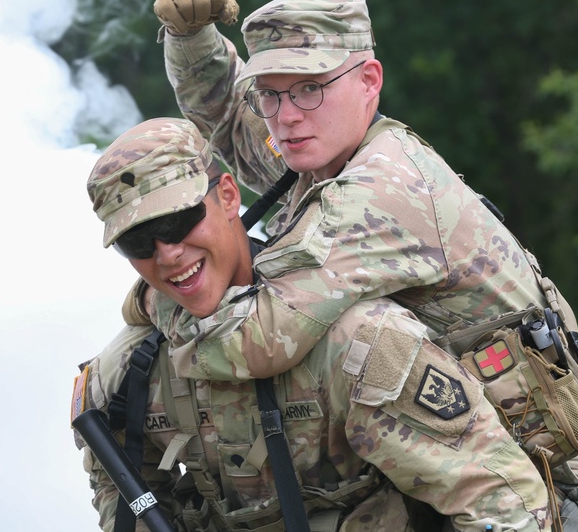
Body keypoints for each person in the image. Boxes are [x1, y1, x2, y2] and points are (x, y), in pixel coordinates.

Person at [142, 0, 578, 530]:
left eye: (309, 87)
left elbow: (255, 338)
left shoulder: (381, 189)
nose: (287, 114)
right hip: (465, 457)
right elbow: (231, 119)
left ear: (369, 80)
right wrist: (191, 38)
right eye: (271, 93)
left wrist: (156, 287)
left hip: (551, 487)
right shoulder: (316, 149)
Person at [74, 117, 551, 531]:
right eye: (138, 242)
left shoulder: (356, 343)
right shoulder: (126, 378)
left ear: (226, 196)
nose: (167, 254)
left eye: (177, 223)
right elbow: (124, 504)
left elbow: (499, 497)